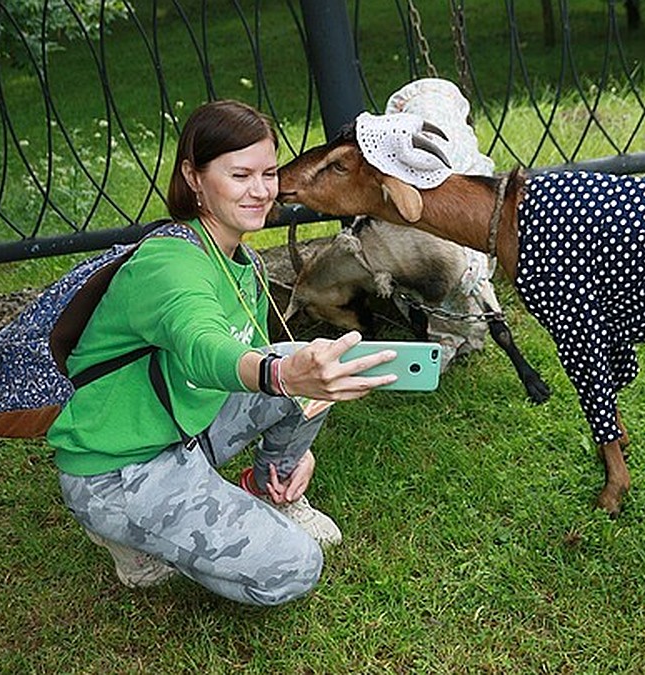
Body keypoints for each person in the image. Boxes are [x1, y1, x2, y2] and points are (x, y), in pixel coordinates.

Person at [47, 99, 398, 606]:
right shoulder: (169, 265)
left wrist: (299, 437)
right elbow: (203, 348)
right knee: (295, 568)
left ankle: (268, 486)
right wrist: (283, 376)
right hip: (121, 469)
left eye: (269, 173)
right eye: (240, 175)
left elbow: (249, 364)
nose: (260, 191)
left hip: (182, 430)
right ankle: (128, 535)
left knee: (303, 361)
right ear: (194, 177)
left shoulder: (240, 259)